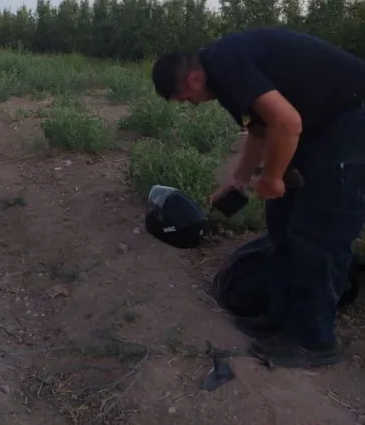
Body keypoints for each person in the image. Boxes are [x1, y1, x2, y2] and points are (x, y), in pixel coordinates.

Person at [151, 27, 365, 368]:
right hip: (321, 128)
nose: (191, 106)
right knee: (282, 224)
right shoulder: (222, 71)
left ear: (193, 79)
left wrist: (273, 177)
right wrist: (238, 180)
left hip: (351, 123)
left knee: (318, 237)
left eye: (186, 100)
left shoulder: (226, 62)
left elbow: (287, 122)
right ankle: (279, 316)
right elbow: (263, 128)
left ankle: (314, 340)